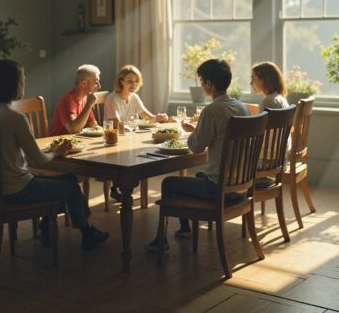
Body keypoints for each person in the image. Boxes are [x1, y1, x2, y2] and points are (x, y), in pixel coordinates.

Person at [0, 59, 108, 250]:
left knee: (64, 186)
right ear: (16, 85)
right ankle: (86, 233)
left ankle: (46, 229)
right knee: (70, 186)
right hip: (16, 189)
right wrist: (56, 152)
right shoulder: (15, 118)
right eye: (23, 80)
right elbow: (37, 160)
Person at [145, 59, 249, 251]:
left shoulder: (212, 111)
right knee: (198, 177)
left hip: (218, 189)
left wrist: (192, 130)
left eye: (201, 81)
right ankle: (184, 229)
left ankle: (164, 238)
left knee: (169, 183)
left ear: (209, 83)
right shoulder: (241, 108)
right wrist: (199, 128)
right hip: (240, 188)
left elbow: (195, 147)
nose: (201, 86)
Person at [104, 65, 169, 202]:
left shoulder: (134, 97)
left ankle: (124, 187)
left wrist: (158, 117)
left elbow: (146, 115)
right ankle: (119, 187)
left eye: (135, 81)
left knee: (142, 154)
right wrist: (132, 127)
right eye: (129, 81)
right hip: (114, 139)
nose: (133, 84)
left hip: (129, 136)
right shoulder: (112, 98)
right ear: (121, 81)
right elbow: (116, 123)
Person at [50, 64, 101, 136]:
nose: (99, 86)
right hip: (58, 144)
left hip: (77, 142)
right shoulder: (67, 100)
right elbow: (73, 129)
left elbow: (92, 124)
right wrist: (89, 105)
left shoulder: (86, 98)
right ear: (84, 83)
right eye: (96, 82)